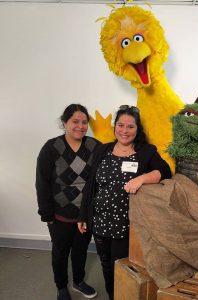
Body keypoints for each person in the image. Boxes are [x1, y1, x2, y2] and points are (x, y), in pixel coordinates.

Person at [77, 105, 172, 300]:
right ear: (115, 127)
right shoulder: (103, 149)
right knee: (106, 264)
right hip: (101, 220)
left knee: (124, 266)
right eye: (121, 125)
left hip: (128, 224)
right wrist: (83, 215)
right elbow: (91, 184)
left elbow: (164, 171)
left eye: (130, 126)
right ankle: (113, 296)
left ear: (137, 130)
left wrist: (141, 179)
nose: (124, 131)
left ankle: (124, 295)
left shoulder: (145, 151)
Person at [36, 104, 100, 300]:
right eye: (75, 121)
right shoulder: (51, 147)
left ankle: (78, 281)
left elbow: (101, 178)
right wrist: (46, 213)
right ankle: (61, 286)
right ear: (64, 123)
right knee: (60, 251)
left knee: (81, 250)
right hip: (59, 213)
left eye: (84, 122)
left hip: (85, 213)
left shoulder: (95, 146)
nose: (80, 126)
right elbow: (42, 182)